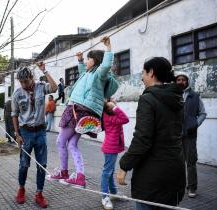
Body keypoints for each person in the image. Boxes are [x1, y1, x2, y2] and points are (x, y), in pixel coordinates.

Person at [117, 57, 186, 210]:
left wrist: (124, 166)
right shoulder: (177, 97)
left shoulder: (148, 99)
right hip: (176, 170)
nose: (142, 77)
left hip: (153, 176)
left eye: (143, 72)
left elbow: (143, 138)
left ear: (151, 72)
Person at [48, 36, 114, 188]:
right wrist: (79, 60)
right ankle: (80, 176)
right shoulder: (88, 74)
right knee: (71, 144)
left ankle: (64, 172)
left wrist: (108, 48)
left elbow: (105, 66)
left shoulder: (99, 74)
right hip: (81, 113)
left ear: (96, 61)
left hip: (78, 110)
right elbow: (83, 72)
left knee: (60, 141)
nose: (86, 61)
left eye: (89, 59)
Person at [11, 65, 57, 208]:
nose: (24, 84)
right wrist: (17, 134)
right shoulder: (17, 94)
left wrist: (45, 70)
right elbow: (14, 114)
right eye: (21, 82)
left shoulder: (41, 88)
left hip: (40, 132)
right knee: (24, 164)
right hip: (25, 132)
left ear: (32, 78)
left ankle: (39, 193)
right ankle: (21, 189)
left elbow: (55, 88)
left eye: (26, 81)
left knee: (42, 165)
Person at [175, 71, 207, 198]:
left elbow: (203, 114)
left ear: (187, 81)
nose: (181, 81)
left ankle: (192, 188)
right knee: (177, 162)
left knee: (191, 162)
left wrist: (195, 124)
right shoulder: (172, 94)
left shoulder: (195, 96)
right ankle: (178, 186)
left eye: (183, 79)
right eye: (178, 79)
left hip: (190, 135)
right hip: (175, 135)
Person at [100, 100, 129, 210]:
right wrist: (115, 108)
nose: (114, 104)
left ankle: (113, 193)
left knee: (110, 171)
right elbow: (125, 119)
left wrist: (113, 106)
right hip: (110, 148)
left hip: (112, 147)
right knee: (106, 172)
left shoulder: (109, 115)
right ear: (109, 109)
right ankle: (104, 197)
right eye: (112, 104)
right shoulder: (109, 117)